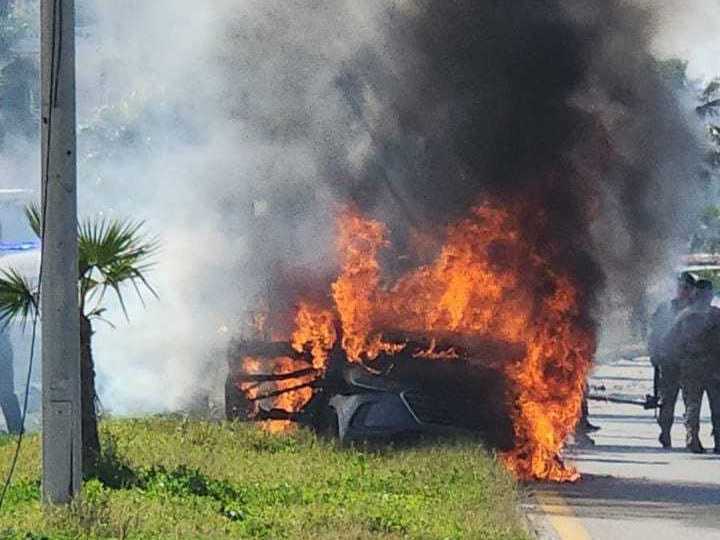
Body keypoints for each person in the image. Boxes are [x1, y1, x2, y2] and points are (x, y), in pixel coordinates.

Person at [666, 279, 720, 453]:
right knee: (716, 405)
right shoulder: (716, 315)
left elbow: (669, 341)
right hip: (713, 367)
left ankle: (692, 438)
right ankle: (718, 440)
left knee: (692, 404)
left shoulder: (684, 315)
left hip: (691, 366)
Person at [648, 271, 696, 448]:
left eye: (687, 288)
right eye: (680, 287)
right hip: (669, 362)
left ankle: (692, 436)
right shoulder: (665, 309)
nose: (683, 291)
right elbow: (654, 334)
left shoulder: (697, 309)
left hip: (690, 363)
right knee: (667, 400)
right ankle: (665, 432)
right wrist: (654, 354)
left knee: (691, 400)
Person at [0, 330, 21, 434]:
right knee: (6, 394)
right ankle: (16, 429)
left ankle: (16, 429)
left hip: (2, 349)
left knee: (6, 393)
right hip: (4, 347)